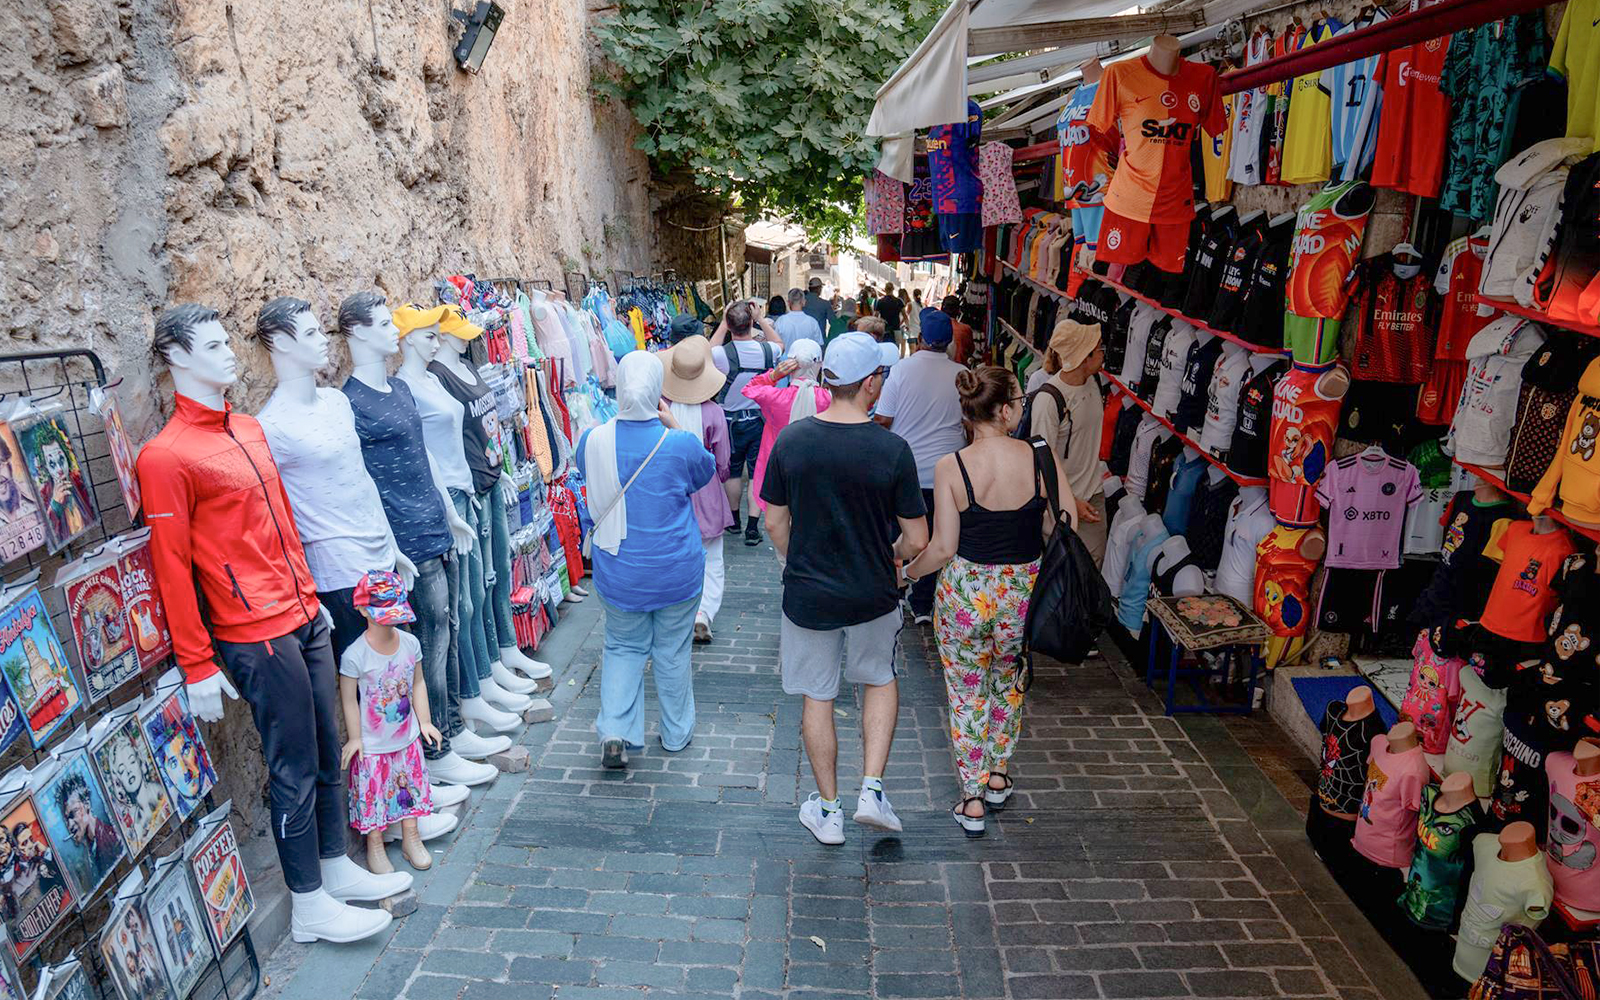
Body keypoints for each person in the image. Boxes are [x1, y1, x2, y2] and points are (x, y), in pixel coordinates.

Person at [761, 332, 927, 845]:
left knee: (818, 693)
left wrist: (796, 557)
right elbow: (917, 538)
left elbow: (774, 522)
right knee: (879, 678)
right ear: (870, 383)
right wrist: (890, 554)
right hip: (873, 588)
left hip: (809, 591)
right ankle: (871, 790)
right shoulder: (893, 450)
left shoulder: (793, 441)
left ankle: (829, 811)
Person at [903, 366, 1076, 837]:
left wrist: (908, 573)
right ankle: (998, 773)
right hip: (1022, 592)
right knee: (1009, 681)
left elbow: (942, 547)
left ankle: (973, 798)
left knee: (966, 694)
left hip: (966, 593)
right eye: (1019, 401)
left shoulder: (951, 466)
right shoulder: (1039, 456)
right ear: (1003, 410)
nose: (1021, 409)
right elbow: (1065, 522)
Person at [577, 352, 716, 768]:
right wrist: (674, 425)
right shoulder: (679, 445)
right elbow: (705, 471)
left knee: (623, 646)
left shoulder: (592, 441)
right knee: (672, 651)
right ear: (657, 392)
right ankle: (675, 734)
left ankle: (615, 730)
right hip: (675, 569)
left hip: (620, 572)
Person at [337, 570, 441, 874]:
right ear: (362, 610)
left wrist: (425, 721)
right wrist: (355, 738)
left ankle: (411, 836)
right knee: (374, 793)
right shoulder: (355, 655)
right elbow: (349, 699)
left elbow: (418, 682)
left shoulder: (410, 644)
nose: (389, 621)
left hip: (406, 737)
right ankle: (375, 844)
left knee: (409, 788)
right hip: (373, 743)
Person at [874, 307, 967, 624]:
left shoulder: (901, 370)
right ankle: (924, 603)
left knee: (899, 533)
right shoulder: (962, 374)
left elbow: (883, 419)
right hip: (948, 471)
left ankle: (894, 591)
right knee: (939, 535)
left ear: (921, 338)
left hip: (907, 468)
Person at [659, 337, 734, 644]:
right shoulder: (714, 412)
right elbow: (723, 461)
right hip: (705, 488)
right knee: (712, 557)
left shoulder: (661, 409)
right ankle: (704, 612)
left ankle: (679, 611)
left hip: (669, 488)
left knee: (674, 554)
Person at [1030, 320, 1109, 565]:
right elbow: (1041, 461)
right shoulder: (1049, 400)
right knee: (1063, 572)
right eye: (1099, 348)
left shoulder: (1094, 383)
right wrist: (1071, 502)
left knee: (1092, 569)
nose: (1103, 353)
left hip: (1093, 496)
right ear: (1084, 357)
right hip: (1060, 505)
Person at [709, 301, 783, 546]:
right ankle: (752, 527)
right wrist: (761, 319)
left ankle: (734, 521)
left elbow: (706, 351)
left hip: (729, 421)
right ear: (750, 323)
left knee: (733, 471)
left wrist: (723, 323)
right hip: (759, 419)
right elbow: (780, 343)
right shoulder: (767, 351)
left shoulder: (722, 354)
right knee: (755, 473)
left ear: (730, 325)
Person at [741, 339, 831, 523]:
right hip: (817, 471)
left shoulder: (775, 397)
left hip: (778, 470)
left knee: (779, 525)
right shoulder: (829, 399)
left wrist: (773, 375)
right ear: (819, 364)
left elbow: (749, 389)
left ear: (789, 365)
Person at [943, 295, 974, 366]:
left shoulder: (937, 328)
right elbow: (970, 350)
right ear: (958, 310)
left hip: (943, 366)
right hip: (961, 367)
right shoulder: (966, 329)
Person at [876, 283, 905, 354]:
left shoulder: (880, 301)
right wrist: (901, 323)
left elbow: (876, 315)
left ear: (885, 290)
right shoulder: (899, 301)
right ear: (893, 289)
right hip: (896, 328)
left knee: (884, 348)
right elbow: (905, 315)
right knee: (896, 348)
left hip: (884, 328)